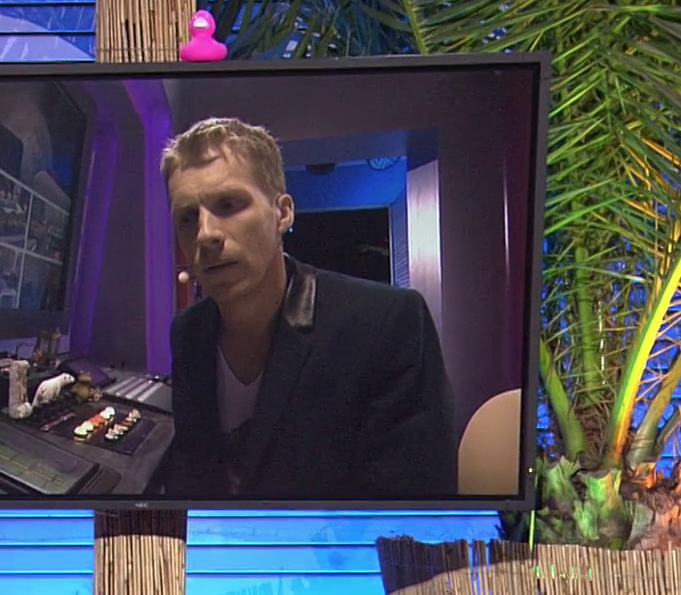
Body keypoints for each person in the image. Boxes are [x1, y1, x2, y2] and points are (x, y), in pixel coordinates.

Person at [155, 118, 458, 499]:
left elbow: (416, 504)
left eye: (228, 205)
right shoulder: (188, 331)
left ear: (282, 213)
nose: (206, 234)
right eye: (187, 218)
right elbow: (191, 478)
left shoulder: (386, 323)